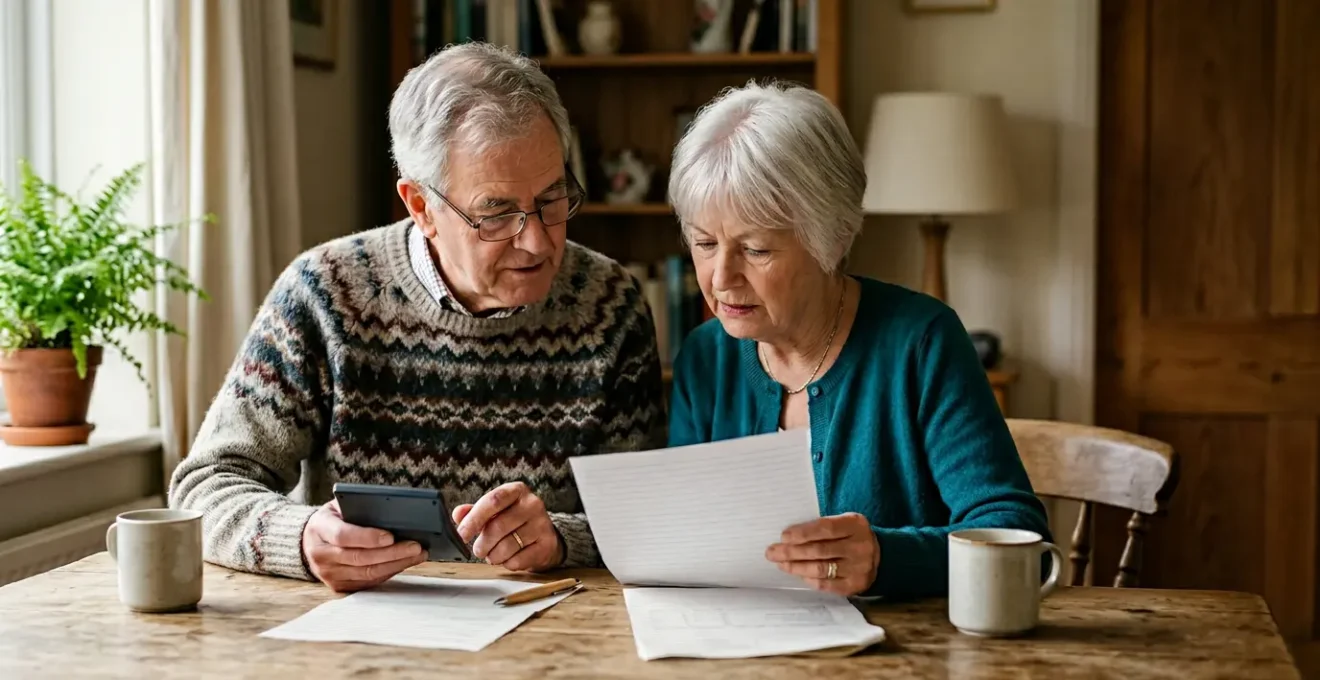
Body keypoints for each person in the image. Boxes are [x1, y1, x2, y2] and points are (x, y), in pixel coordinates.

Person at [169, 42, 666, 592]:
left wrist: (561, 537)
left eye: (552, 200)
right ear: (421, 207)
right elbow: (204, 488)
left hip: (556, 629)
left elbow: (650, 516)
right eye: (497, 214)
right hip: (359, 631)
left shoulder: (609, 305)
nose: (537, 241)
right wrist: (303, 536)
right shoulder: (326, 295)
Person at [665, 81, 1050, 600]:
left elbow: (1017, 535)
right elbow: (687, 534)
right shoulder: (704, 358)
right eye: (704, 243)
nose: (720, 277)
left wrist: (886, 559)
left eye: (755, 249)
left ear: (831, 238)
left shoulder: (921, 344)